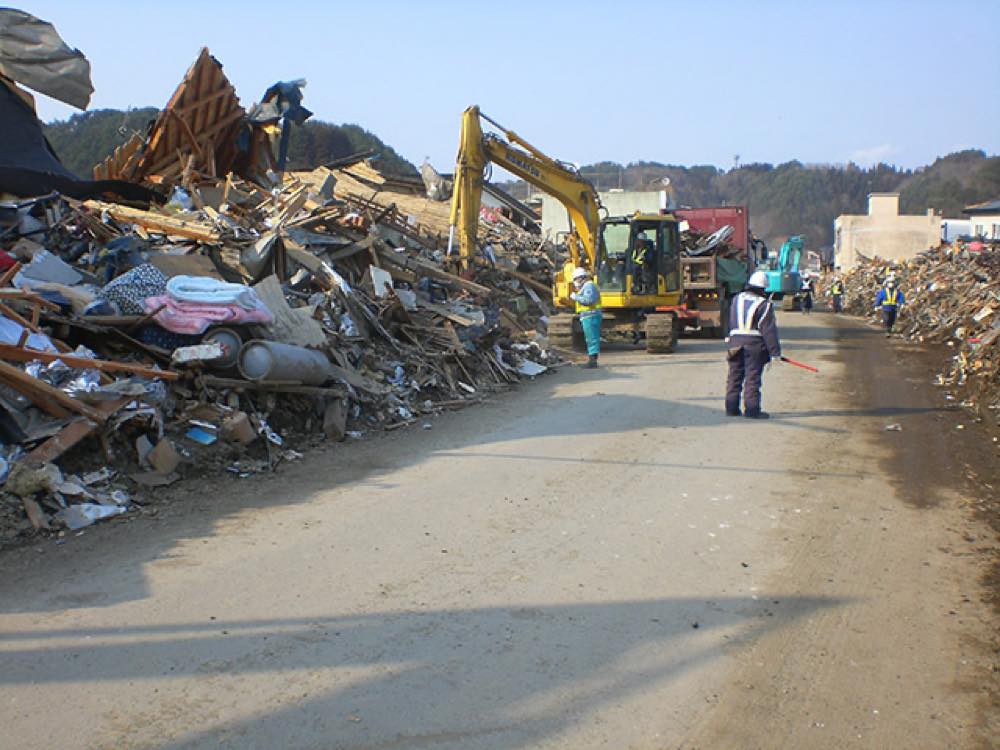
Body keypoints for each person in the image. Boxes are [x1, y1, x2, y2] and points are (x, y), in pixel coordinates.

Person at [725, 270, 782, 419]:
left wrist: (730, 338)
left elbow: (730, 320)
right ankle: (752, 410)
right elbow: (768, 330)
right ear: (763, 288)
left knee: (734, 376)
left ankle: (731, 408)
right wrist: (775, 353)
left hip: (735, 343)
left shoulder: (736, 299)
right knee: (752, 378)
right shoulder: (764, 305)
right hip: (754, 346)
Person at [570, 267, 602, 368]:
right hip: (588, 315)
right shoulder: (586, 286)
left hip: (591, 315)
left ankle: (593, 361)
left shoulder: (589, 286)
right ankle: (592, 359)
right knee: (590, 338)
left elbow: (588, 300)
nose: (575, 282)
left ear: (581, 278)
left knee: (592, 338)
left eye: (576, 279)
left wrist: (576, 297)